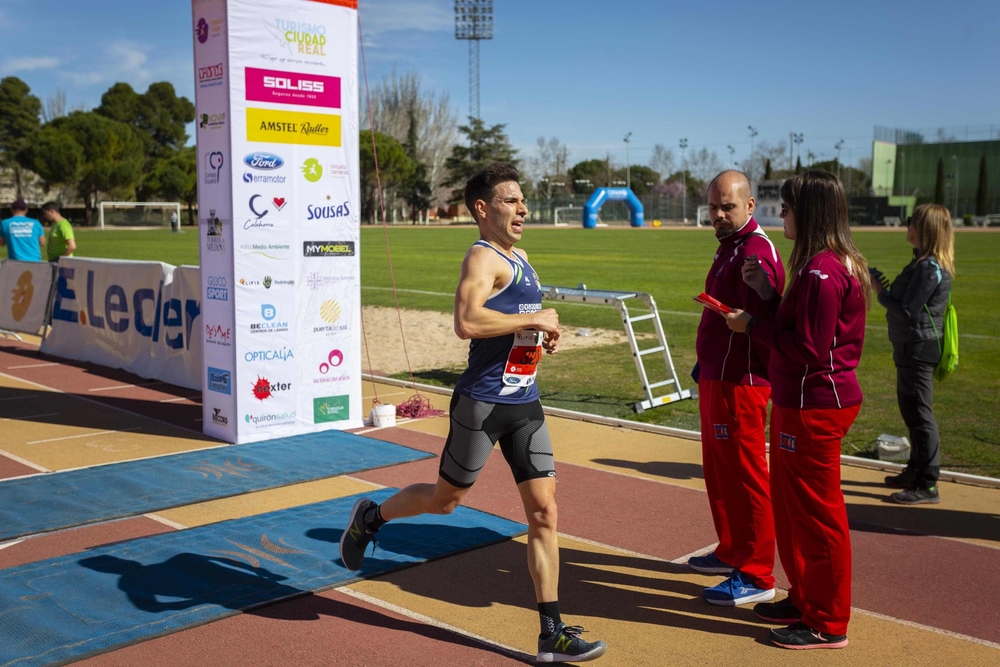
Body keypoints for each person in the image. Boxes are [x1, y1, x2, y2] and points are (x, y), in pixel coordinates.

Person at [339, 163, 606, 664]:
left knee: (545, 512)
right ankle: (370, 517)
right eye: (511, 200)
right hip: (482, 405)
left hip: (525, 402)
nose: (523, 208)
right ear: (483, 209)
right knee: (446, 501)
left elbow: (516, 321)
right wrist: (531, 317)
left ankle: (551, 632)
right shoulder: (481, 258)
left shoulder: (520, 256)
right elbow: (466, 321)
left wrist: (543, 332)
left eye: (523, 200)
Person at [724, 170, 869, 649]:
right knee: (793, 509)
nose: (780, 214)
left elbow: (807, 347)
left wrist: (751, 325)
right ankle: (805, 597)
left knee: (816, 515)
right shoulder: (819, 266)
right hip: (800, 401)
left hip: (815, 404)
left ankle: (828, 620)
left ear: (808, 212)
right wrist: (768, 298)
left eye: (786, 207)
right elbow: (804, 327)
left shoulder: (825, 270)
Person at [689, 170, 785, 608]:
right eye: (713, 207)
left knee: (746, 477)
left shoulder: (756, 250)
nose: (719, 215)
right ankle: (731, 549)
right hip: (717, 373)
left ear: (750, 206)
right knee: (720, 473)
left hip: (741, 383)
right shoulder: (730, 247)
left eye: (727, 206)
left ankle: (757, 571)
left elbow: (774, 321)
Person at [871, 204, 954, 505]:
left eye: (912, 223)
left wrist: (879, 292)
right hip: (912, 345)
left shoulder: (928, 267)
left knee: (920, 414)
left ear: (925, 229)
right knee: (912, 411)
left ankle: (928, 483)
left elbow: (908, 310)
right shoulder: (922, 262)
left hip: (918, 346)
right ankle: (916, 470)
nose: (907, 227)